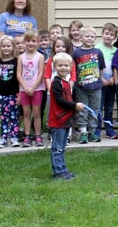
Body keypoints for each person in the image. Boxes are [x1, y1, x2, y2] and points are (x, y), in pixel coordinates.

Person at [47, 52, 84, 181]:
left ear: (71, 67)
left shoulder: (66, 82)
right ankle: (58, 172)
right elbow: (60, 100)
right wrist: (75, 105)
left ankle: (63, 170)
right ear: (55, 67)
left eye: (66, 65)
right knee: (57, 148)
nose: (63, 68)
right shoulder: (57, 83)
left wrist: (74, 108)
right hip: (57, 120)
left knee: (62, 147)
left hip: (65, 120)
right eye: (60, 65)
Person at [72, 26, 106, 143]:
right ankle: (83, 132)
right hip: (81, 87)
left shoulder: (98, 52)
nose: (90, 38)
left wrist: (99, 79)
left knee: (94, 109)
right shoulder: (77, 53)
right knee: (82, 109)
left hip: (96, 87)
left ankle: (92, 132)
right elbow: (73, 69)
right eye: (87, 36)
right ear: (81, 38)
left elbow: (101, 68)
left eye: (92, 36)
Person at [0, 35, 21, 149]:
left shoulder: (16, 61)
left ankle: (14, 137)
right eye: (3, 46)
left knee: (14, 117)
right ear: (0, 48)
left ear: (13, 47)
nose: (6, 48)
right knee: (4, 117)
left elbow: (19, 79)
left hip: (14, 94)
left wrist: (20, 94)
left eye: (8, 46)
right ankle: (3, 138)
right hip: (2, 95)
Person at [19, 30, 46, 147]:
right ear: (25, 42)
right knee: (26, 113)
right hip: (24, 89)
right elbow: (18, 74)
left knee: (36, 113)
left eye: (33, 41)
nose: (31, 43)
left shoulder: (40, 57)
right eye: (28, 41)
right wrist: (25, 87)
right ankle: (27, 135)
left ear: (37, 43)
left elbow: (41, 73)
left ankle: (38, 135)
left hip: (37, 89)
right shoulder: (21, 57)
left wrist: (33, 87)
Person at [97, 23, 118, 139]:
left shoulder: (116, 50)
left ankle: (109, 130)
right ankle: (97, 130)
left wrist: (113, 78)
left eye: (111, 34)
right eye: (106, 33)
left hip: (111, 83)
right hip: (100, 82)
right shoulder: (97, 48)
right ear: (102, 34)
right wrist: (101, 79)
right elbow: (94, 66)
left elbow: (117, 67)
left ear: (115, 37)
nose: (108, 36)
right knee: (99, 107)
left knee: (109, 108)